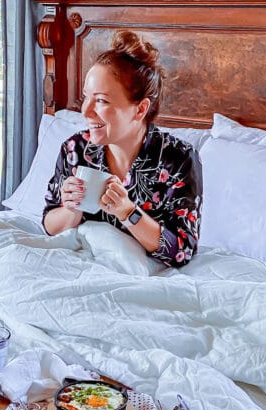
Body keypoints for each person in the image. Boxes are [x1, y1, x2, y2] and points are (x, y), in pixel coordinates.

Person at [42, 30, 202, 267]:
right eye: (87, 97)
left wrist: (128, 213)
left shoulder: (177, 159)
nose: (85, 111)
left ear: (140, 109)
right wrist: (70, 211)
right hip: (78, 264)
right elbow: (48, 224)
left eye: (102, 101)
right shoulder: (76, 149)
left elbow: (182, 251)